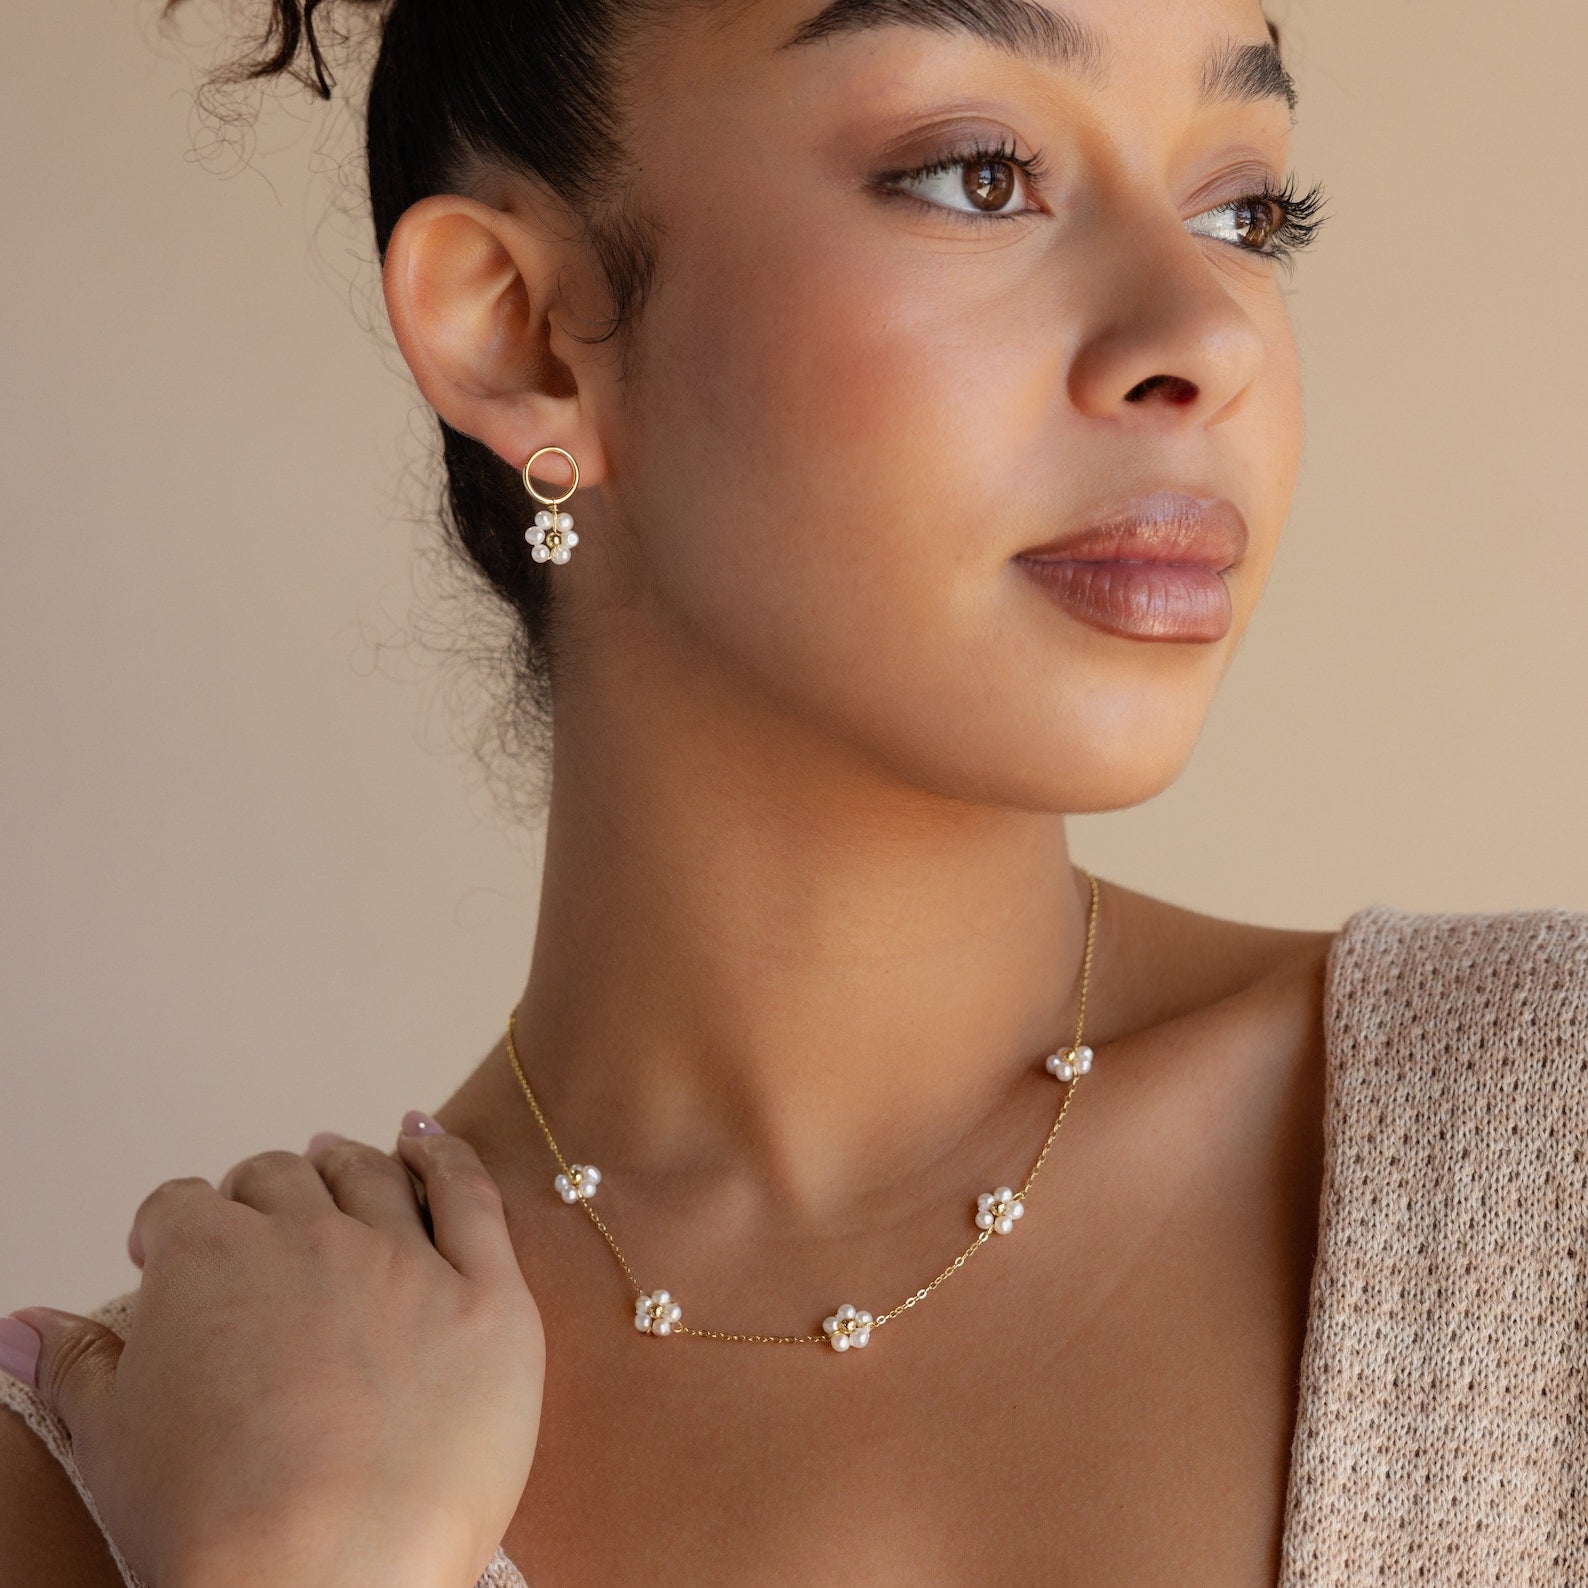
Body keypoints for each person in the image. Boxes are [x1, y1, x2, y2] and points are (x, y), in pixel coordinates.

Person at [3, 0, 1586, 1582]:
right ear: (522, 329)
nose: (1209, 333)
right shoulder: (126, 1476)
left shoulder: (1542, 1145)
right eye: (979, 174)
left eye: (1244, 209)